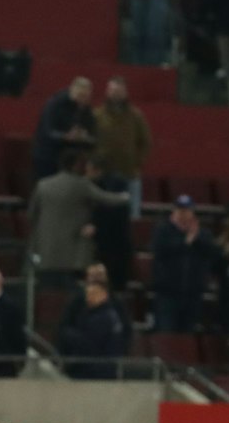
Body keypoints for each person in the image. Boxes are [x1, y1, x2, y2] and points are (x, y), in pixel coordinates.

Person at [30, 149, 128, 287]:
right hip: (72, 255)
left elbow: (32, 214)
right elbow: (108, 199)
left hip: (46, 251)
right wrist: (126, 197)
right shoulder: (81, 185)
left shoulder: (42, 185)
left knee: (47, 294)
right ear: (76, 165)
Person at [151, 197, 219, 334]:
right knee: (167, 331)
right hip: (167, 293)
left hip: (193, 293)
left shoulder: (203, 234)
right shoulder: (163, 231)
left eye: (187, 210)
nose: (184, 213)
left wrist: (196, 239)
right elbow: (160, 252)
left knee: (188, 333)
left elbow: (211, 252)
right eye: (180, 210)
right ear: (174, 211)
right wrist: (185, 243)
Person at [92, 77, 152, 216]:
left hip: (129, 173)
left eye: (119, 91)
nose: (116, 94)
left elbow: (146, 142)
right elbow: (90, 142)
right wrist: (95, 163)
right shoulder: (97, 115)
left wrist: (137, 163)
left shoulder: (136, 116)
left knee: (132, 215)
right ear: (107, 91)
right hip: (103, 174)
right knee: (103, 214)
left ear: (125, 92)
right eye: (113, 90)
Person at [31, 77, 96, 183]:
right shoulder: (55, 104)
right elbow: (47, 131)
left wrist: (85, 136)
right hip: (48, 156)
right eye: (80, 96)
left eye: (86, 97)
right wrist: (65, 136)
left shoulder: (86, 110)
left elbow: (93, 135)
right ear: (72, 90)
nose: (82, 100)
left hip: (70, 160)